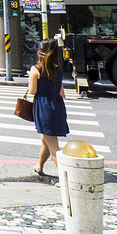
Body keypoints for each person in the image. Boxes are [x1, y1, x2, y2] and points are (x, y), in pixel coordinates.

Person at [27, 38, 69, 176]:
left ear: (40, 51)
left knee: (53, 146)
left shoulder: (35, 69)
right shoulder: (58, 70)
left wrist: (31, 80)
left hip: (44, 108)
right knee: (46, 139)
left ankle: (65, 178)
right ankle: (39, 166)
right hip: (57, 106)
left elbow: (32, 91)